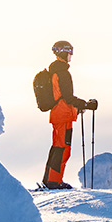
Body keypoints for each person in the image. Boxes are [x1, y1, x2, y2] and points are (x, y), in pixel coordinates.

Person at [42, 40, 97, 189]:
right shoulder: (63, 73)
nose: (70, 56)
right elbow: (68, 97)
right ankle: (54, 182)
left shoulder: (55, 71)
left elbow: (61, 97)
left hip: (58, 114)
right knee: (63, 149)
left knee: (56, 147)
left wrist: (78, 108)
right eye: (69, 53)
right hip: (63, 116)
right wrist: (86, 105)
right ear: (63, 53)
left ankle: (50, 180)